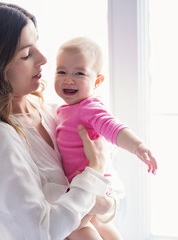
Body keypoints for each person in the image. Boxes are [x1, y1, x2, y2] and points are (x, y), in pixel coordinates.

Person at [0, 2, 117, 240]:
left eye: (37, 45)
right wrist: (94, 171)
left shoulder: (53, 112)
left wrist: (106, 206)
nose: (44, 58)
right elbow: (43, 231)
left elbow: (109, 192)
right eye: (26, 54)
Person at [54, 37, 158, 239]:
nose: (68, 79)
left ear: (97, 81)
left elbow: (112, 127)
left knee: (78, 227)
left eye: (79, 73)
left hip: (91, 182)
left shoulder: (88, 107)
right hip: (88, 181)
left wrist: (138, 146)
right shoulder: (63, 109)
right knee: (96, 224)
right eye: (62, 72)